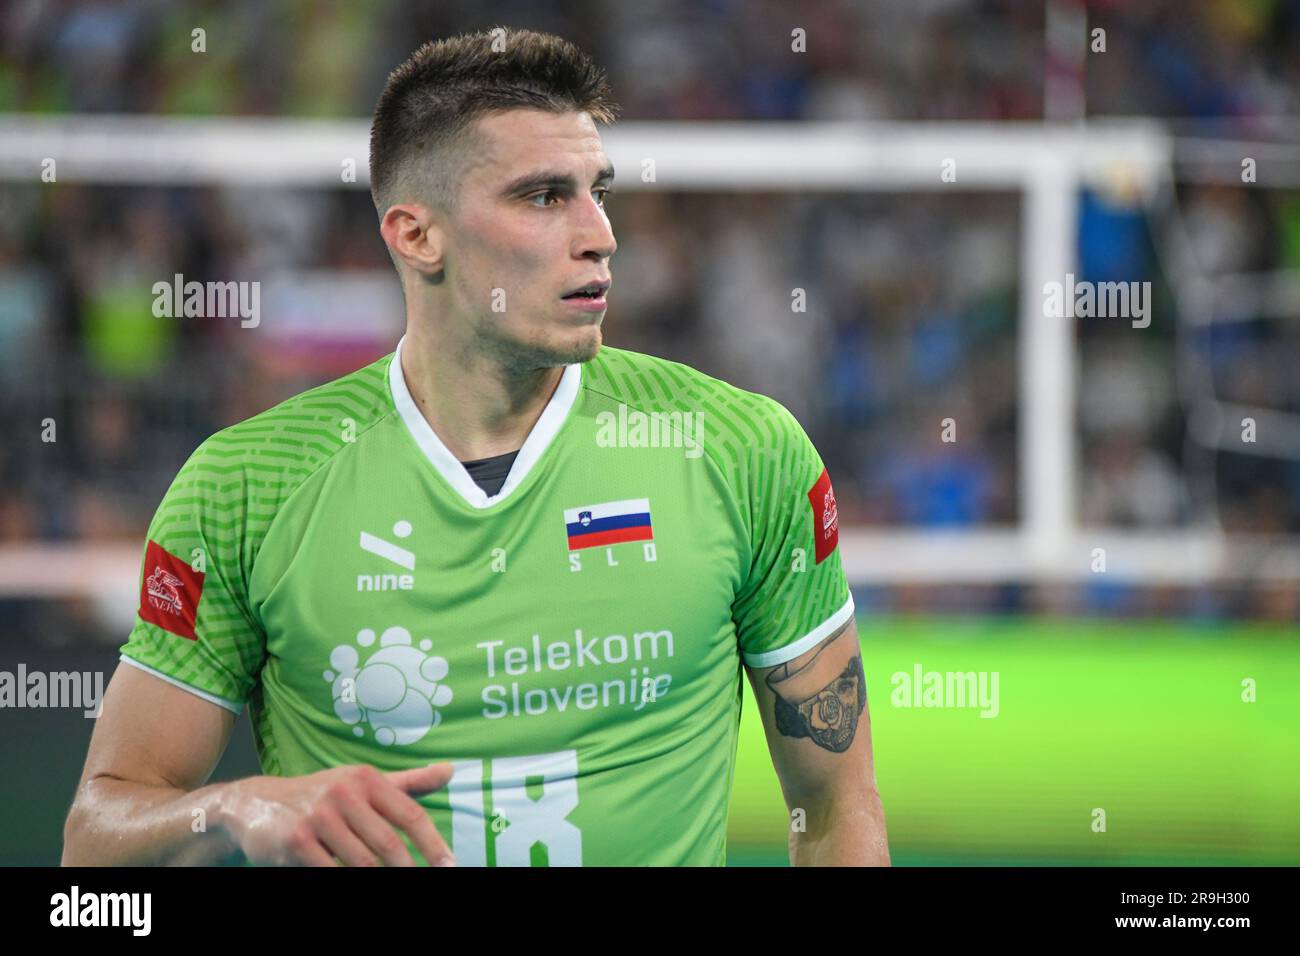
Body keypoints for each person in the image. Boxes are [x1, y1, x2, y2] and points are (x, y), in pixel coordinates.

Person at [62, 27, 889, 867]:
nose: (600, 233)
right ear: (417, 235)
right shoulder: (247, 486)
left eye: (597, 191)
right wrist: (235, 805)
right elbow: (95, 842)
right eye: (542, 197)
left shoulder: (741, 451)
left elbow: (834, 808)